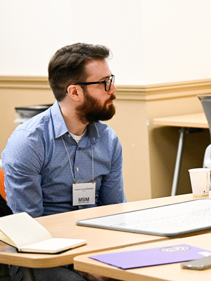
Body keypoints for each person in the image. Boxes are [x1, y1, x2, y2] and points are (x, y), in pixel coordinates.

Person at [2, 43, 125, 281]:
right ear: (75, 92)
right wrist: (78, 265)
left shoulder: (108, 140)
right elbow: (30, 232)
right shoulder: (29, 142)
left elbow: (114, 213)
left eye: (111, 80)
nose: (114, 89)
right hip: (40, 258)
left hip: (95, 249)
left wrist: (102, 261)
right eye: (105, 83)